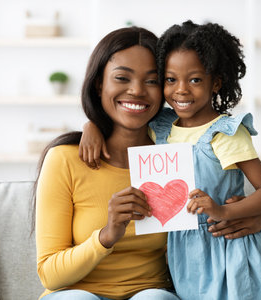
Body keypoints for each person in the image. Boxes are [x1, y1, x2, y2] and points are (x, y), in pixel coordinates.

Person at [80, 21, 261, 300]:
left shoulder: (225, 134)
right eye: (171, 79)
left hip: (227, 248)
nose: (181, 90)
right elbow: (122, 119)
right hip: (182, 252)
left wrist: (224, 212)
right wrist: (92, 126)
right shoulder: (161, 127)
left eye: (195, 80)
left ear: (216, 83)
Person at [34, 27, 179, 300]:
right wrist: (106, 235)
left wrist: (252, 213)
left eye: (152, 81)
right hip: (75, 292)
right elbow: (49, 274)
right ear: (100, 83)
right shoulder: (65, 158)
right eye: (122, 77)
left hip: (150, 291)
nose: (137, 91)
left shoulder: (173, 156)